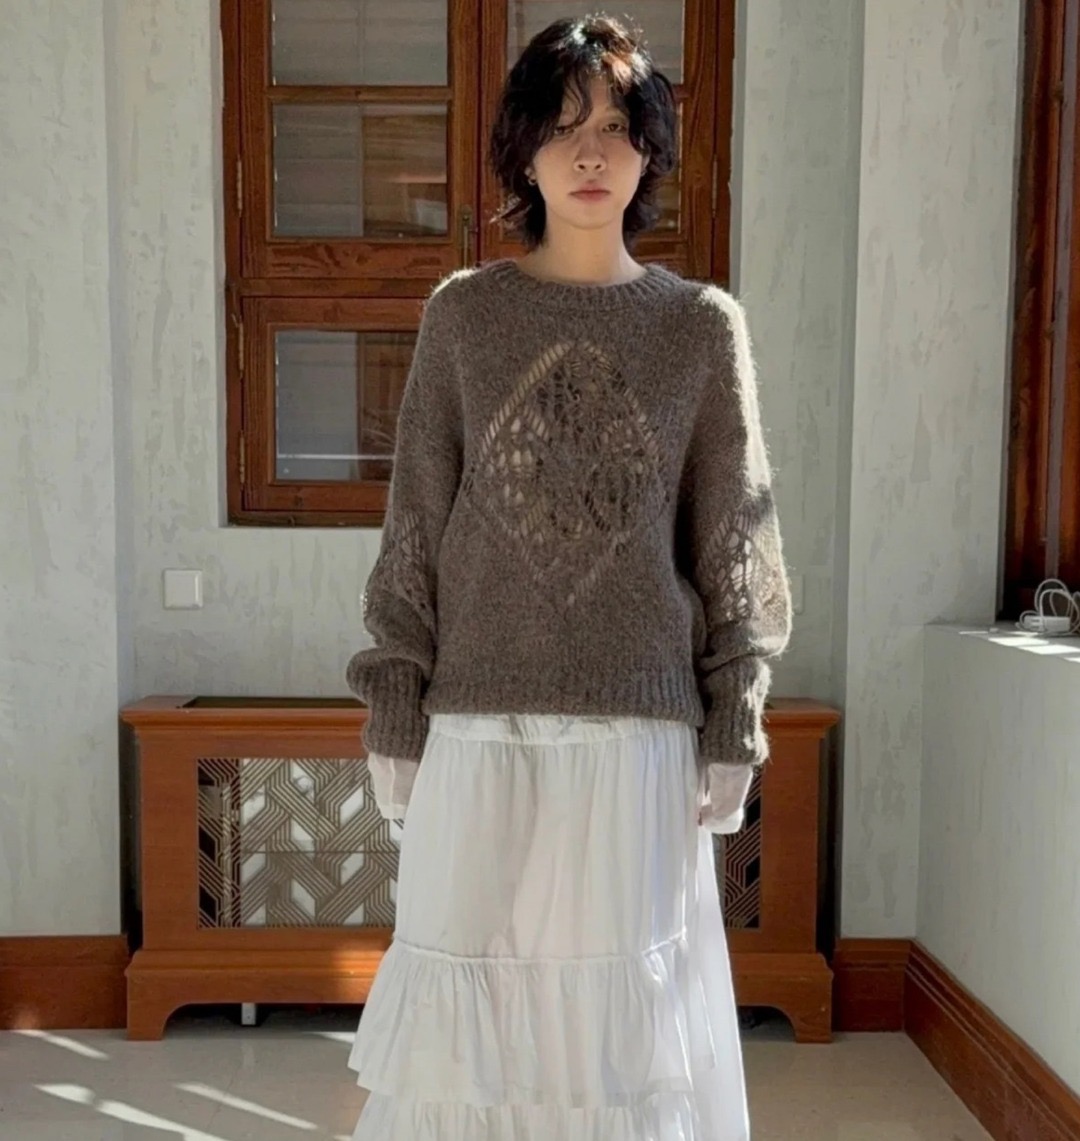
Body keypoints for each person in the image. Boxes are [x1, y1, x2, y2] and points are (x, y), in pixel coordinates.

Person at [344, 14, 792, 1140]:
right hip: (477, 723)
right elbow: (416, 523)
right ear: (523, 152)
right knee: (471, 1010)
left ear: (650, 151)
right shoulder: (465, 316)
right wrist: (394, 698)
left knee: (616, 1034)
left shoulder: (700, 329)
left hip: (635, 737)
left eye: (615, 128)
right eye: (561, 127)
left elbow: (733, 536)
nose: (590, 154)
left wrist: (737, 713)